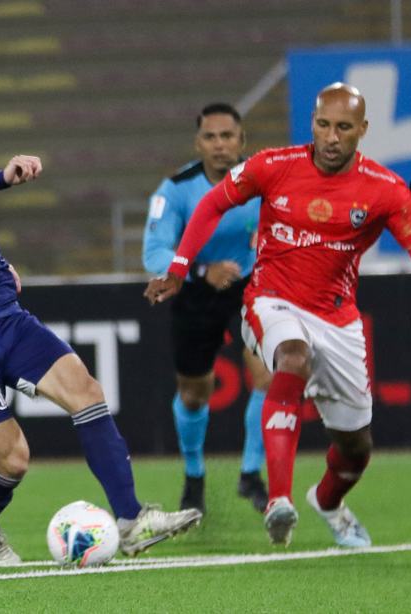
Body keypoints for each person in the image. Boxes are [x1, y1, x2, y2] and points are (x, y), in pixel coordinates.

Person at [0, 74, 201, 564]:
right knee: (13, 460)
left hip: (7, 317)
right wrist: (1, 178)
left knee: (86, 390)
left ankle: (131, 520)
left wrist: (0, 265)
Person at [144, 83, 411, 548]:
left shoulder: (385, 190)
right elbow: (212, 204)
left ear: (363, 130)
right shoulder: (273, 166)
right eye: (323, 125)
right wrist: (179, 268)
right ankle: (278, 500)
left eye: (343, 127)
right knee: (291, 358)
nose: (331, 137)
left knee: (355, 450)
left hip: (337, 318)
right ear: (313, 122)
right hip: (271, 298)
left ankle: (328, 501)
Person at [142, 103, 269, 514]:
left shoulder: (263, 182)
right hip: (195, 290)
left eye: (227, 136)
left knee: (268, 375)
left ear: (242, 141)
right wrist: (200, 270)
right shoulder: (176, 190)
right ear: (198, 144)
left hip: (249, 286)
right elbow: (153, 251)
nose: (219, 145)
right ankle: (194, 475)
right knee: (194, 394)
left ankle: (251, 473)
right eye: (210, 137)